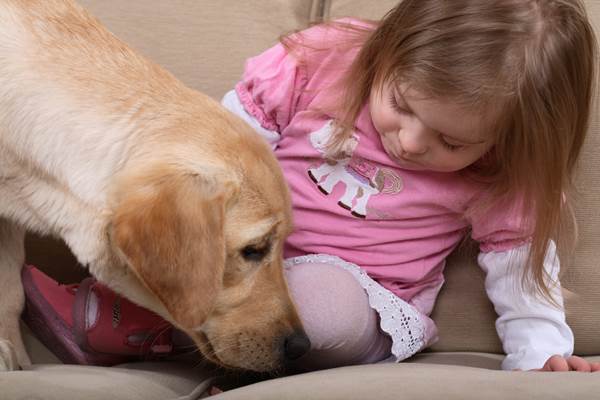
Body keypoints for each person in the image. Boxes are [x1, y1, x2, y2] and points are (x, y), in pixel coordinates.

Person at [23, 0, 600, 372]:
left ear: (506, 142)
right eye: (399, 105)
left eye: (452, 143)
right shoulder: (326, 63)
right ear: (385, 55)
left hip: (364, 298)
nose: (412, 142)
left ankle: (145, 327)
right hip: (264, 261)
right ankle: (172, 317)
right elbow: (231, 151)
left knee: (324, 307)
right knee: (206, 250)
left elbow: (523, 271)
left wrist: (542, 355)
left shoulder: (505, 176)